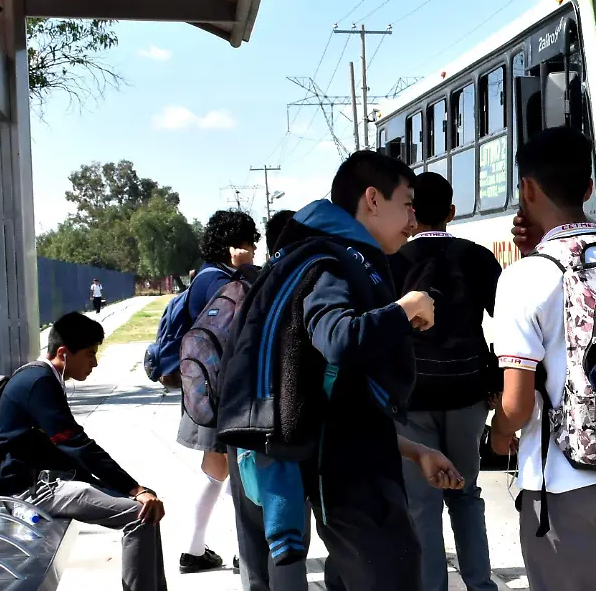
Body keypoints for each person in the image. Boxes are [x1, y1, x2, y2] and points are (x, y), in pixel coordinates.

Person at [217, 151, 459, 590]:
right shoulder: (331, 263)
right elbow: (339, 339)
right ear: (372, 199)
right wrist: (404, 309)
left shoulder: (325, 256)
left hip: (352, 467)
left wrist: (414, 450)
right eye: (406, 203)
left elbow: (338, 393)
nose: (412, 217)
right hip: (350, 480)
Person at [489, 127, 596, 591]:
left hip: (562, 478)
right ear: (588, 189)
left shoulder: (523, 278)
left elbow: (518, 405)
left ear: (526, 189)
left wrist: (499, 435)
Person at [0, 312, 168, 591]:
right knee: (141, 515)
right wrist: (134, 488)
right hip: (33, 491)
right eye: (89, 354)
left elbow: (72, 448)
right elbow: (77, 444)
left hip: (50, 481)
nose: (95, 363)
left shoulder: (44, 378)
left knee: (146, 508)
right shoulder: (39, 383)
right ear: (64, 353)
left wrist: (130, 489)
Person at [389, 173, 502, 591]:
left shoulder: (392, 260)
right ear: (452, 212)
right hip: (467, 394)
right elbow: (505, 321)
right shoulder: (477, 257)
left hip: (411, 398)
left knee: (421, 505)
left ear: (411, 213)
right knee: (466, 494)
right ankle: (479, 584)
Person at [226, 209, 314, 591]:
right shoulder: (302, 284)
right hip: (282, 428)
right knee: (288, 527)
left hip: (239, 424)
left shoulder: (241, 287)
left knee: (252, 533)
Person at [178, 209, 261, 573]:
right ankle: (245, 552)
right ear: (233, 246)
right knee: (238, 472)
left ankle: (194, 551)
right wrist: (246, 272)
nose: (255, 248)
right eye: (248, 241)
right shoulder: (221, 282)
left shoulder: (204, 277)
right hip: (223, 393)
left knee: (215, 471)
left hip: (205, 391)